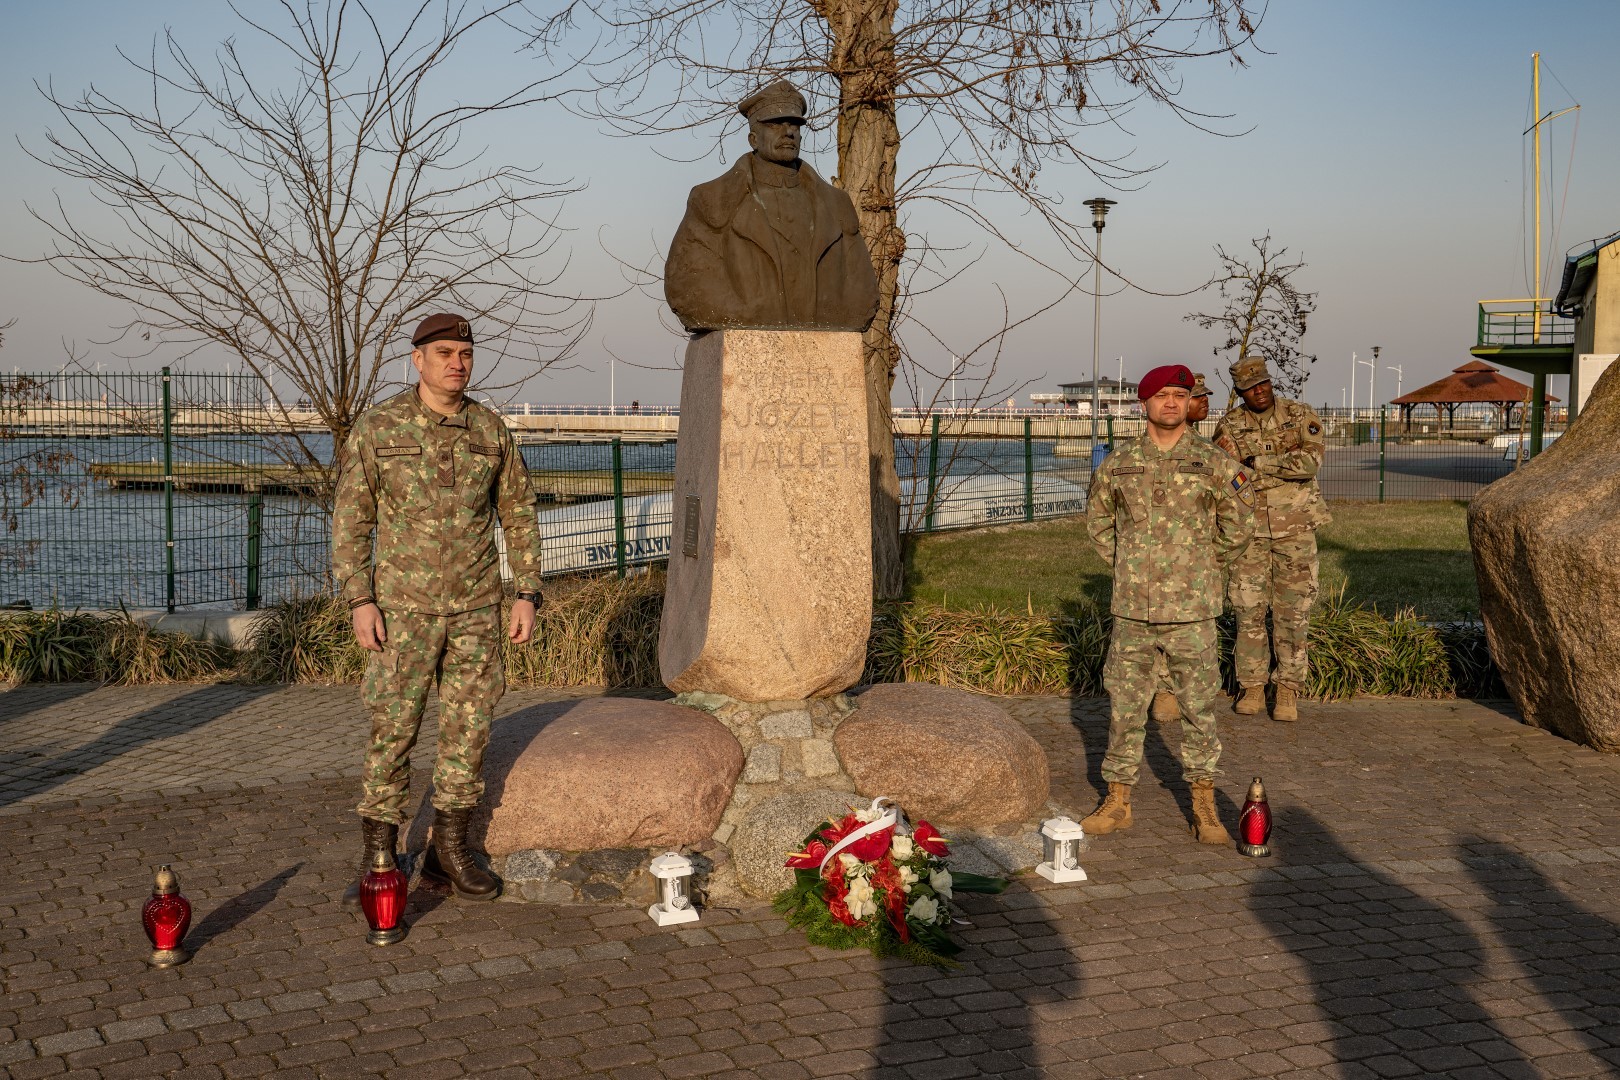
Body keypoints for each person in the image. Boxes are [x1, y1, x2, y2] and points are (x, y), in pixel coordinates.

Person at [331, 313, 544, 904]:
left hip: (477, 609)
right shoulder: (379, 429)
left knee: (468, 732)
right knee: (392, 732)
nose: (457, 363)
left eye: (466, 354)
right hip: (403, 611)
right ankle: (379, 857)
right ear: (417, 358)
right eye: (445, 352)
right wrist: (360, 599)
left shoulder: (490, 430)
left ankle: (450, 850)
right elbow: (352, 520)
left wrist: (525, 591)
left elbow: (519, 515)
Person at [1083, 365, 1255, 844]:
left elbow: (1239, 526)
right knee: (1125, 707)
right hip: (1133, 610)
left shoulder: (1215, 463)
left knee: (1200, 708)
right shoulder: (1117, 464)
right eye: (1162, 396)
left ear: (1189, 404)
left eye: (1180, 395)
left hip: (1192, 611)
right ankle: (1117, 800)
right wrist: (1131, 567)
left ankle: (1204, 804)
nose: (1172, 403)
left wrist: (1201, 567)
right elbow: (1098, 524)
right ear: (1144, 405)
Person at [664, 79, 878, 333]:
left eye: (795, 125)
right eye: (775, 124)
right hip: (743, 337)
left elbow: (861, 290)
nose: (788, 132)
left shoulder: (836, 204)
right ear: (753, 138)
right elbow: (687, 284)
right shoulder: (711, 200)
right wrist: (748, 311)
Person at [1212, 355, 1330, 722]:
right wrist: (1276, 466)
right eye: (1249, 388)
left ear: (1269, 382)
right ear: (1240, 391)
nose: (1258, 391)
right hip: (1249, 532)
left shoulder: (1299, 415)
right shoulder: (1230, 424)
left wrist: (1257, 464)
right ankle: (1251, 686)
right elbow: (1227, 473)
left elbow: (1309, 464)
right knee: (1248, 611)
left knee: (1293, 614)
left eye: (1262, 383)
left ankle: (1288, 690)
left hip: (1295, 529)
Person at [1148, 371, 1215, 724]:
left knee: (1192, 632)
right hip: (1148, 565)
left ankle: (1185, 692)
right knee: (1156, 623)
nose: (1204, 404)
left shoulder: (1209, 454)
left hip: (1194, 564)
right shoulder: (1137, 456)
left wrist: (1207, 554)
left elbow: (1233, 514)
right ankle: (1164, 689)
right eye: (1199, 397)